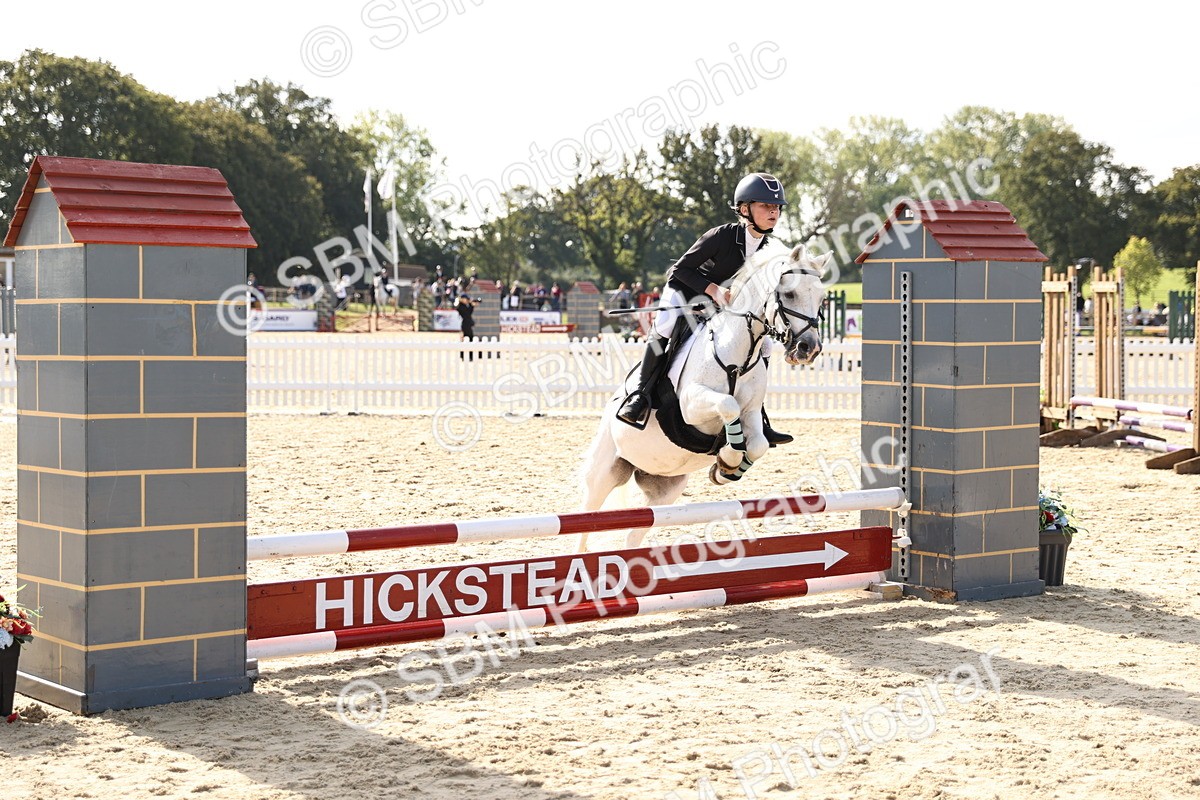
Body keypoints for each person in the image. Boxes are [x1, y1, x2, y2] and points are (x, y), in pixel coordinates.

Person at [615, 172, 793, 446]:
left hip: (726, 308)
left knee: (765, 345)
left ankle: (759, 415)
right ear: (745, 209)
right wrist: (713, 289)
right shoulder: (721, 236)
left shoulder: (769, 248)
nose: (774, 212)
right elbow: (680, 270)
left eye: (777, 207)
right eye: (766, 206)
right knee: (664, 325)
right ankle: (640, 395)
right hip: (685, 290)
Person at [456, 292, 478, 361]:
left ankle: (469, 356)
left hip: (466, 325)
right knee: (467, 340)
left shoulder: (464, 306)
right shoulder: (460, 306)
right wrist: (471, 305)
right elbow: (467, 314)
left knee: (469, 340)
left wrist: (471, 305)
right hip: (465, 326)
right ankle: (464, 356)